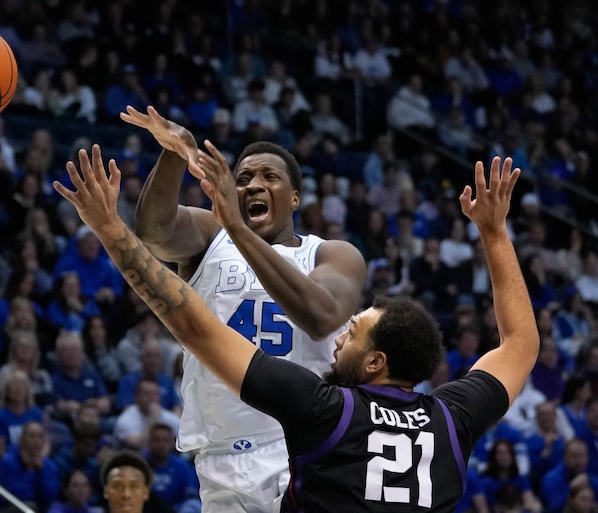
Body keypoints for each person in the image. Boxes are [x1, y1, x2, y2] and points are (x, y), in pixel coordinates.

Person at [55, 147, 539, 513]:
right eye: (245, 177)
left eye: (357, 329)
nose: (345, 331)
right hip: (224, 448)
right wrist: (496, 233)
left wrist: (107, 228)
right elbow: (521, 344)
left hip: (280, 449)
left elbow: (192, 326)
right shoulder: (449, 419)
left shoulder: (320, 409)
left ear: (375, 362)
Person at [121, 106, 366, 511]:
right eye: (243, 179)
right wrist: (173, 153)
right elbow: (153, 232)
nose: (253, 185)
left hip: (300, 448)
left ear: (294, 197)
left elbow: (321, 317)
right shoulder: (210, 237)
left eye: (270, 177)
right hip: (220, 454)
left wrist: (237, 227)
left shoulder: (331, 253)